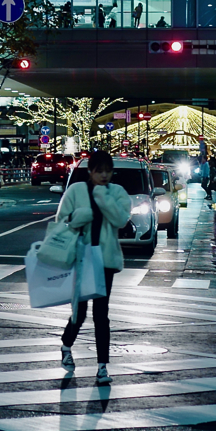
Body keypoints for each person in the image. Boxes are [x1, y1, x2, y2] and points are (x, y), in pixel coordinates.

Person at [56, 150, 132, 386]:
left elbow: (121, 220)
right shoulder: (76, 190)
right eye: (100, 171)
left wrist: (103, 198)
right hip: (81, 258)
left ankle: (102, 367)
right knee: (79, 313)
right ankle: (66, 345)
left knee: (102, 315)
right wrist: (81, 216)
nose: (104, 175)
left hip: (104, 260)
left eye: (108, 171)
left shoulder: (117, 192)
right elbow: (61, 221)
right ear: (90, 171)